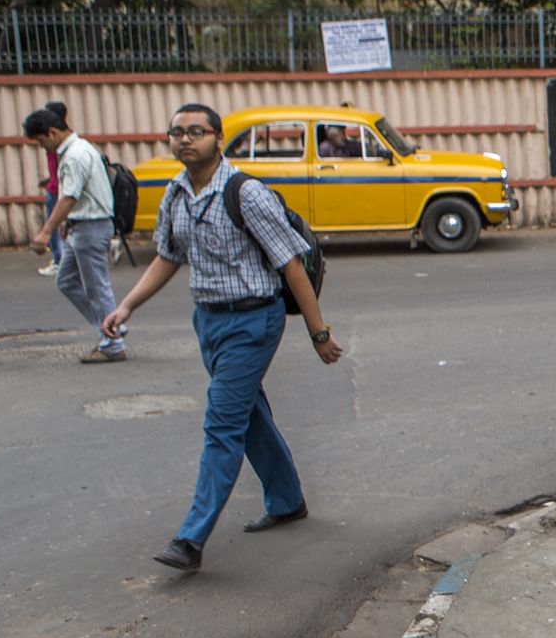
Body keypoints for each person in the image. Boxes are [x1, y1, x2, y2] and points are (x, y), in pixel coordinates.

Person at [102, 103, 344, 572]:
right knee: (247, 411)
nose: (185, 140)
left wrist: (318, 333)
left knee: (222, 421)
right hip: (209, 321)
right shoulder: (175, 194)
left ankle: (191, 539)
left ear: (217, 138)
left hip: (254, 321)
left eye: (196, 131)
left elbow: (291, 263)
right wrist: (127, 304)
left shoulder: (245, 193)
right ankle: (287, 500)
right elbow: (168, 257)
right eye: (176, 132)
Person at [24, 105, 126, 363]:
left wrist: (45, 232)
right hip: (81, 226)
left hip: (91, 227)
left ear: (52, 132)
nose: (41, 147)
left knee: (97, 288)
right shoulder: (78, 149)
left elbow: (70, 196)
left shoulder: (74, 156)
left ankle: (112, 343)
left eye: (40, 141)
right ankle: (112, 327)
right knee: (67, 281)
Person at [37, 101, 69, 276]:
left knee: (55, 227)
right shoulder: (57, 139)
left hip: (57, 192)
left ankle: (59, 260)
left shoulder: (58, 142)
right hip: (55, 187)